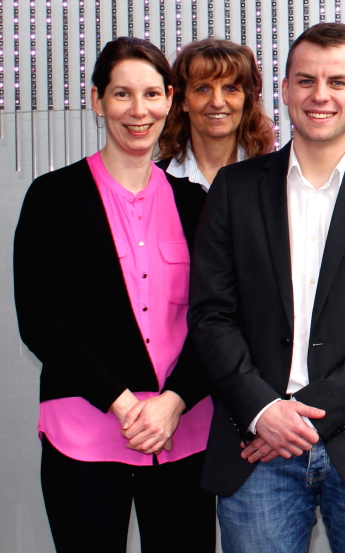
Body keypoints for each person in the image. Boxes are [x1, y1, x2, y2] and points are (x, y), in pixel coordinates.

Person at [188, 23, 345, 553]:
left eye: (337, 81)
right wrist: (263, 411)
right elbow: (210, 315)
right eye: (306, 80)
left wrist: (300, 415)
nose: (320, 95)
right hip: (255, 445)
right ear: (285, 90)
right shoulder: (234, 189)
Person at [13, 36, 214, 552]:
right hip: (85, 429)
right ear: (98, 100)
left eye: (151, 94)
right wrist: (122, 402)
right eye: (122, 94)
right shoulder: (53, 197)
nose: (138, 110)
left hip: (182, 429)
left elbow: (217, 317)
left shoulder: (196, 204)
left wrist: (173, 401)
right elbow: (39, 319)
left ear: (170, 100)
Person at [157, 38, 276, 190]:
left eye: (230, 88)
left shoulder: (273, 180)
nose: (217, 102)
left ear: (247, 99)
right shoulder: (154, 182)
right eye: (202, 89)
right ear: (183, 101)